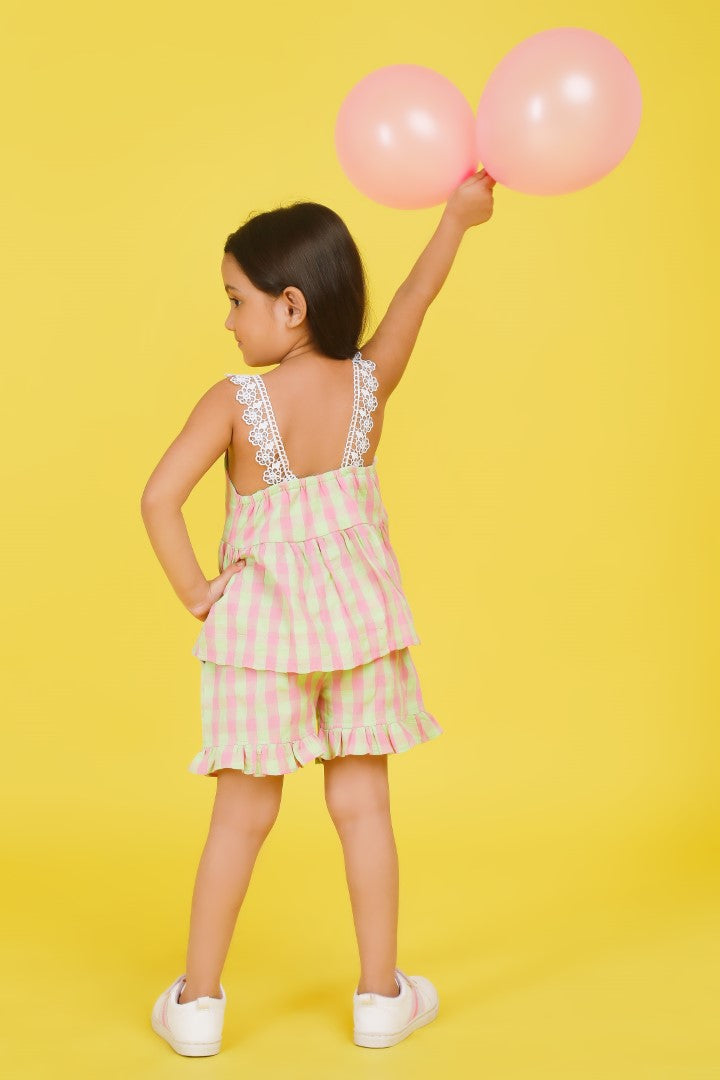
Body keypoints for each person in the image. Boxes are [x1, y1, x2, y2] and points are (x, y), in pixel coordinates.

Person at [141, 169, 496, 1056]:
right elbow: (419, 295)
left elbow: (157, 499)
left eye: (235, 299)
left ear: (290, 306)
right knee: (364, 807)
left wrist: (195, 590)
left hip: (259, 632)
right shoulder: (369, 386)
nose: (227, 319)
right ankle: (380, 998)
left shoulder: (235, 401)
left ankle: (197, 1004)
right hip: (361, 626)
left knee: (240, 818)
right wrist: (456, 219)